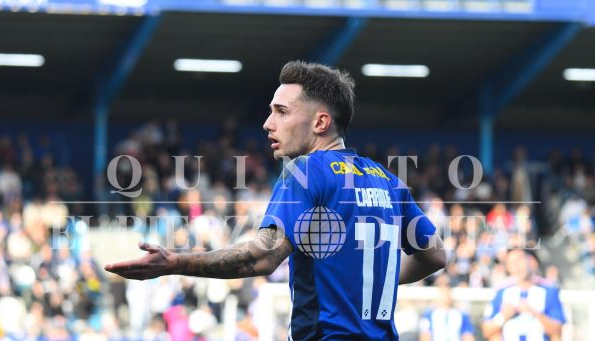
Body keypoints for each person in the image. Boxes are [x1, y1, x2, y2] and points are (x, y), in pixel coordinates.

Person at [105, 61, 447, 340]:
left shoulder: (307, 171)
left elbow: (264, 256)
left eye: (281, 112)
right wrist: (370, 280)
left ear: (320, 122)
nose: (268, 123)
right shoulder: (387, 180)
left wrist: (175, 262)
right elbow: (435, 254)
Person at [482, 249, 565, 341]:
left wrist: (534, 313)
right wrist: (503, 316)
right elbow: (487, 331)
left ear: (531, 262)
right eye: (511, 263)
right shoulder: (501, 292)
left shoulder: (549, 291)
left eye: (519, 260)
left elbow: (557, 330)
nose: (516, 266)